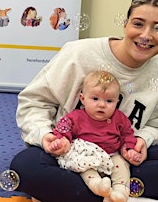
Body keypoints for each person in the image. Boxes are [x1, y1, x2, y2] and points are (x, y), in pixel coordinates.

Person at [10, 0, 158, 202]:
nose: (146, 35)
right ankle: (120, 195)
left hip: (121, 158)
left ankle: (93, 194)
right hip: (70, 156)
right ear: (125, 24)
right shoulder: (78, 53)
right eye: (138, 24)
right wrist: (46, 136)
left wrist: (142, 139)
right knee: (25, 167)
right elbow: (34, 103)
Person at [50, 70, 141, 202]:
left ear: (117, 101)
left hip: (111, 154)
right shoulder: (76, 116)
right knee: (85, 169)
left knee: (122, 166)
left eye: (109, 101)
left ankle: (120, 191)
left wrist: (129, 149)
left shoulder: (119, 118)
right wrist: (60, 140)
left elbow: (127, 135)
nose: (102, 105)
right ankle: (98, 186)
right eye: (95, 99)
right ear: (83, 99)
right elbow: (63, 128)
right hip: (86, 155)